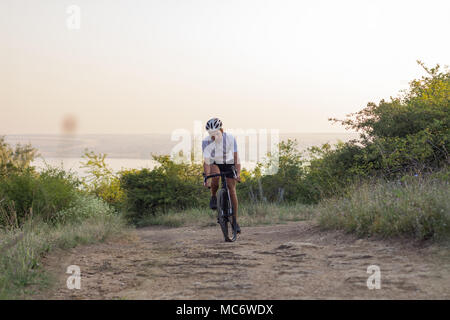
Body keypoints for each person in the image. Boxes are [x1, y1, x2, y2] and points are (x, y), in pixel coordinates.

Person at [202, 118, 241, 234]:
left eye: (216, 133)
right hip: (214, 162)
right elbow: (207, 161)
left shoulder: (230, 138)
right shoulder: (206, 141)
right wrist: (206, 178)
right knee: (215, 177)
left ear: (222, 130)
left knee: (231, 188)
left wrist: (238, 174)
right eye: (211, 134)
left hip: (228, 162)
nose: (214, 136)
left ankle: (234, 220)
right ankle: (213, 196)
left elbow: (236, 158)